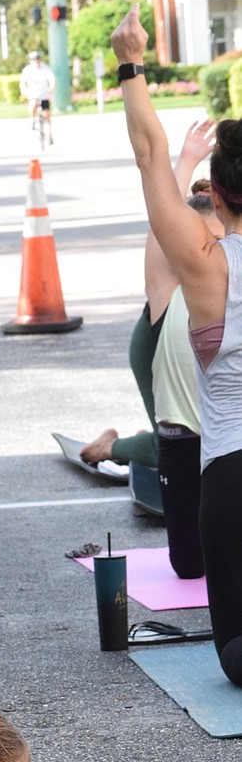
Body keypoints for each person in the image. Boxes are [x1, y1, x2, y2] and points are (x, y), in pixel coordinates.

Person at [112, 5, 242, 683]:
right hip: (222, 472)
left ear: (215, 194)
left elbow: (149, 158)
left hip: (230, 475)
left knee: (235, 657)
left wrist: (131, 63)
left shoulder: (208, 267)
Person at [82, 121, 221, 579]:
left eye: (217, 242)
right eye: (198, 242)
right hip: (178, 424)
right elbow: (163, 214)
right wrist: (186, 161)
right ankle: (112, 447)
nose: (205, 252)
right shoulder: (168, 290)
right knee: (189, 567)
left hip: (225, 439)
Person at [19, 50, 55, 145]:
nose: (36, 61)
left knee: (47, 115)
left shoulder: (45, 69)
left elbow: (51, 79)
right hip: (33, 94)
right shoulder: (27, 70)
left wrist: (51, 88)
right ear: (30, 60)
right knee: (33, 104)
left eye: (37, 59)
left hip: (44, 95)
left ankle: (49, 135)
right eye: (33, 59)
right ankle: (32, 120)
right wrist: (24, 91)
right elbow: (23, 82)